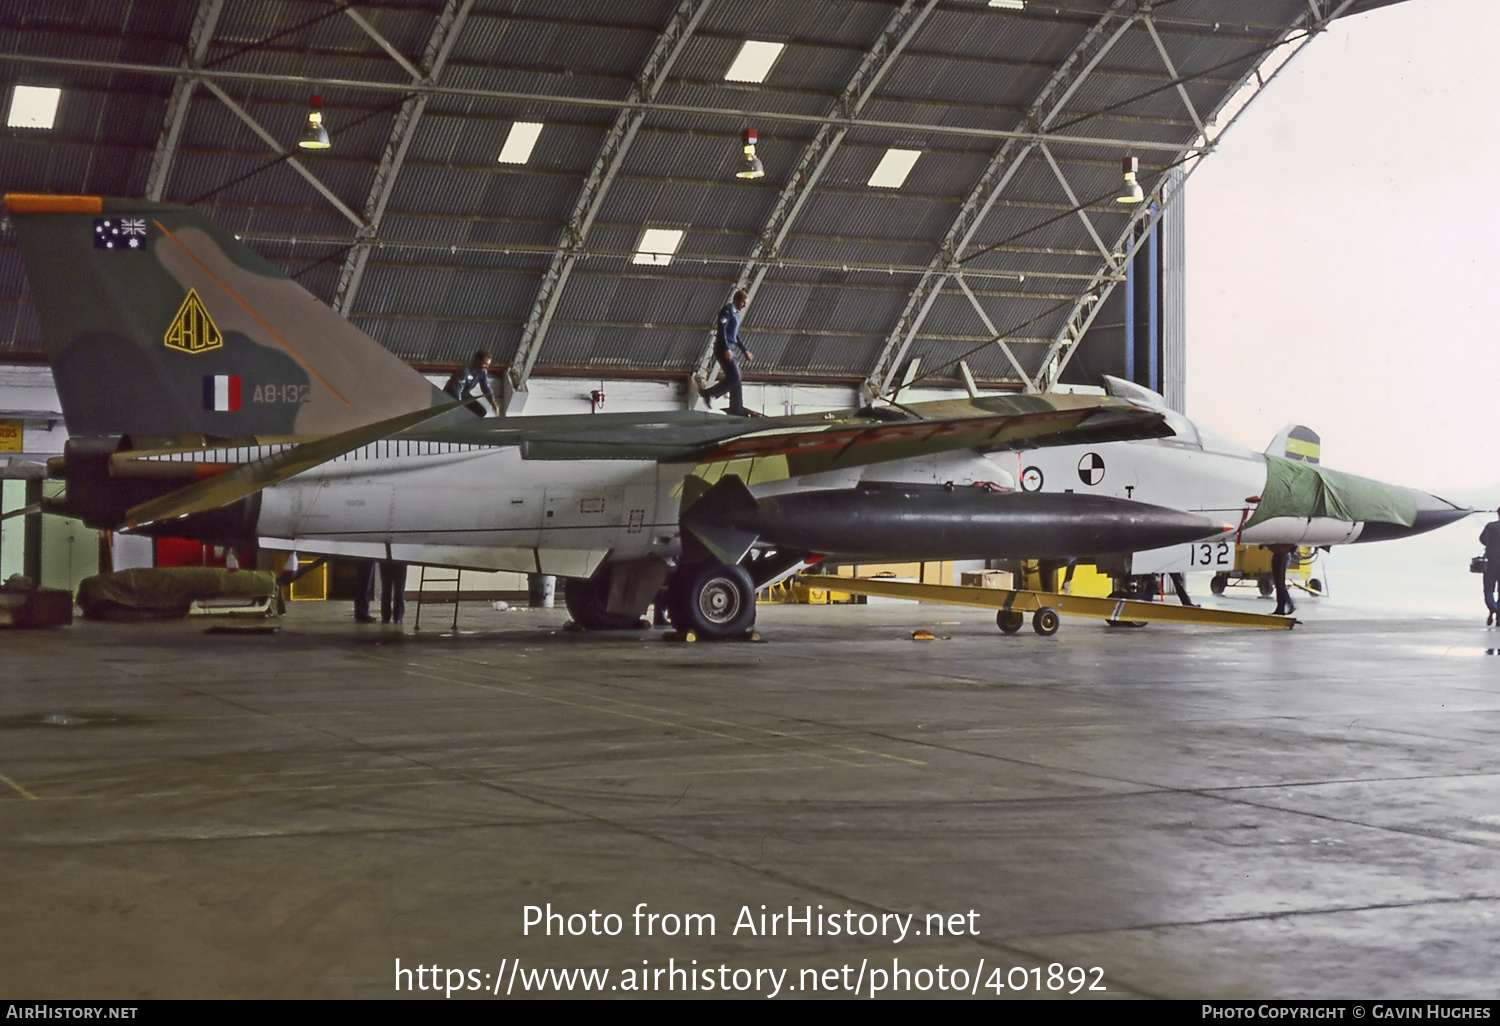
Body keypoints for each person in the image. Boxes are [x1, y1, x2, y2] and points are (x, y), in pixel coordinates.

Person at [700, 289, 753, 416]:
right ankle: (710, 394)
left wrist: (744, 350)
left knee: (737, 378)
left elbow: (735, 335)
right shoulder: (727, 311)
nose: (744, 305)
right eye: (743, 302)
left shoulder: (736, 314)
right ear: (736, 300)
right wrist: (726, 349)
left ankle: (736, 409)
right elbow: (722, 331)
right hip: (723, 348)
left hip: (730, 347)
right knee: (735, 377)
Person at [445, 349, 498, 417]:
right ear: (478, 360)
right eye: (485, 364)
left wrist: (492, 401)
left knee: (481, 412)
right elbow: (457, 390)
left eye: (488, 365)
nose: (486, 367)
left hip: (464, 394)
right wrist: (460, 406)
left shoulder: (483, 371)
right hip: (451, 395)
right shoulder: (465, 370)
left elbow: (486, 387)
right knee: (460, 413)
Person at [1480, 507, 1500, 625]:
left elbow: (1482, 539)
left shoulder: (1491, 526)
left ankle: (1494, 608)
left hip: (1491, 562)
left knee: (1488, 590)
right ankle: (1498, 616)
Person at [1269, 544, 1295, 617]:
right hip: (1278, 555)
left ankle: (1287, 605)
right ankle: (1281, 607)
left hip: (1282, 556)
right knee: (1278, 583)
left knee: (1280, 583)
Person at [380, 560, 407, 624]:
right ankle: (398, 616)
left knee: (386, 588)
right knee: (399, 588)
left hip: (385, 559)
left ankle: (385, 616)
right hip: (400, 559)